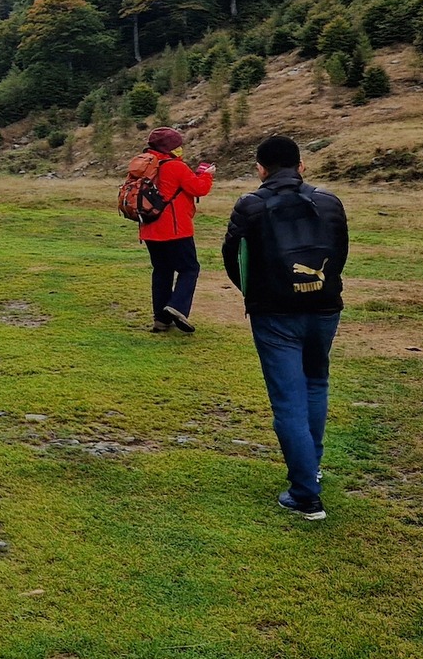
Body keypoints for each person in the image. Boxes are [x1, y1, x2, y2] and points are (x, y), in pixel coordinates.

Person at [222, 134, 350, 521]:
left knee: (288, 399)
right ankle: (312, 467)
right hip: (325, 307)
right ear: (301, 165)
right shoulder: (329, 201)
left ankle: (305, 494)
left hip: (274, 314)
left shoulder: (251, 205)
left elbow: (234, 258)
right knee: (316, 384)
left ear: (260, 168)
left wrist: (254, 294)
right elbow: (339, 253)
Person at [137, 127, 215, 333]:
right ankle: (177, 306)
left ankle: (160, 320)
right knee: (189, 268)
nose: (181, 149)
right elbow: (199, 189)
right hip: (176, 229)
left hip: (149, 228)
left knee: (161, 271)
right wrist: (207, 175)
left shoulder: (143, 165)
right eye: (178, 146)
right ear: (171, 148)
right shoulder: (176, 166)